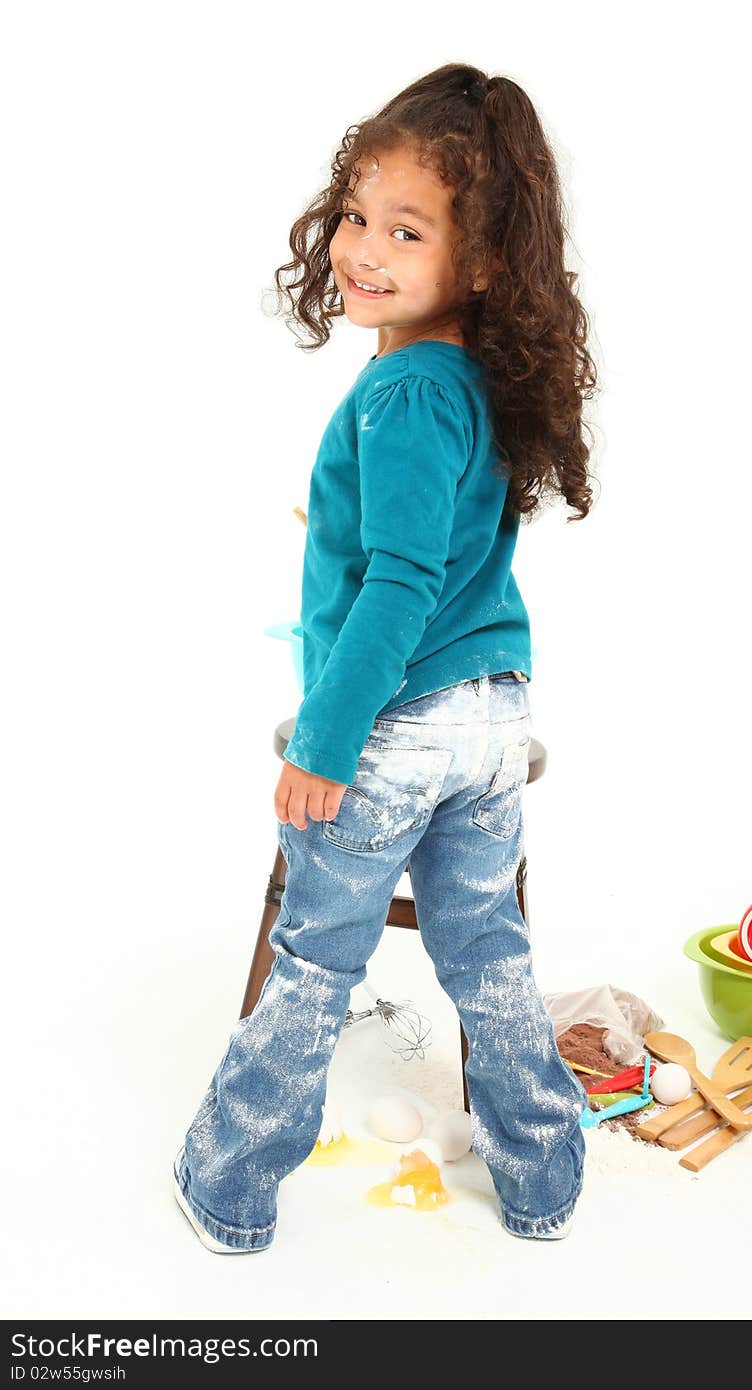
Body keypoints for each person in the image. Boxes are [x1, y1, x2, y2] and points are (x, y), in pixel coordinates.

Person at [173, 63, 599, 1253]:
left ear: (479, 261)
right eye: (357, 217)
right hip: (492, 723)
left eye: (404, 231)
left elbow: (408, 583)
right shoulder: (470, 378)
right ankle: (543, 1180)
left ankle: (230, 1189)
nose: (364, 249)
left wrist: (325, 737)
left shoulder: (405, 390)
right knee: (489, 955)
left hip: (397, 730)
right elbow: (441, 550)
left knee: (313, 960)